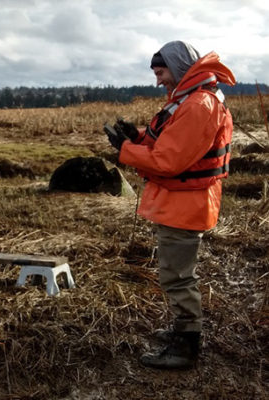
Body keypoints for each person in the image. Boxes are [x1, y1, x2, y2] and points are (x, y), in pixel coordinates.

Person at [105, 41, 235, 369]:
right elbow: (168, 145)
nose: (158, 80)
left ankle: (186, 347)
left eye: (160, 72)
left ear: (177, 67)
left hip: (186, 206)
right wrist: (134, 138)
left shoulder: (198, 105)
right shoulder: (190, 100)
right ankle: (183, 332)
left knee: (177, 276)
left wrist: (125, 150)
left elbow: (167, 162)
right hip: (182, 203)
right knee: (175, 273)